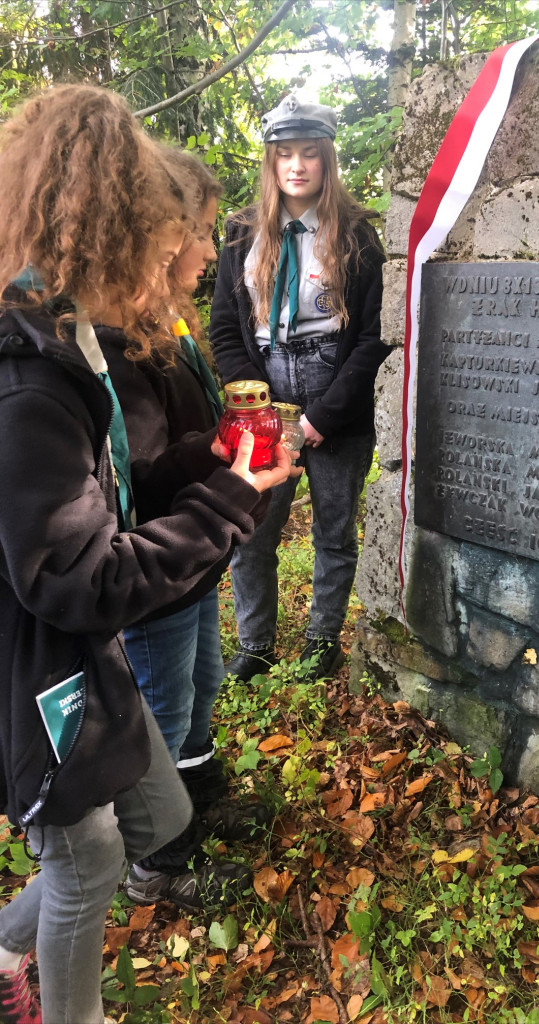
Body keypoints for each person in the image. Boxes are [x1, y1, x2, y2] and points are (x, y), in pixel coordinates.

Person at [0, 85, 292, 1024]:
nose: (182, 266)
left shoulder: (73, 346)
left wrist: (211, 467)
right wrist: (231, 501)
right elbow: (78, 576)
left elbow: (110, 501)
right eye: (170, 246)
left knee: (161, 814)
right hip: (40, 672)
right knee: (87, 863)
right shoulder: (32, 384)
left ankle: (1, 943)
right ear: (116, 236)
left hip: (79, 655)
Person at [98, 149, 277, 909]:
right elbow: (136, 481)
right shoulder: (115, 346)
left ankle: (198, 797)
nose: (208, 251)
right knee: (163, 709)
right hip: (158, 566)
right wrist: (217, 462)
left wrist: (221, 443)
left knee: (201, 685)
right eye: (196, 233)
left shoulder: (164, 323)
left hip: (192, 560)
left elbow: (179, 440)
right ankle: (157, 863)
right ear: (151, 238)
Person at [209, 94, 389, 682]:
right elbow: (224, 329)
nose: (296, 165)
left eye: (309, 153)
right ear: (271, 160)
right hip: (266, 394)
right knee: (253, 527)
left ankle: (322, 641)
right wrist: (257, 410)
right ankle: (255, 644)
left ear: (326, 159)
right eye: (284, 153)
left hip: (337, 398)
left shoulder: (358, 236)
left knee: (333, 530)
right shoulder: (241, 234)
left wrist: (322, 419)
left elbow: (372, 339)